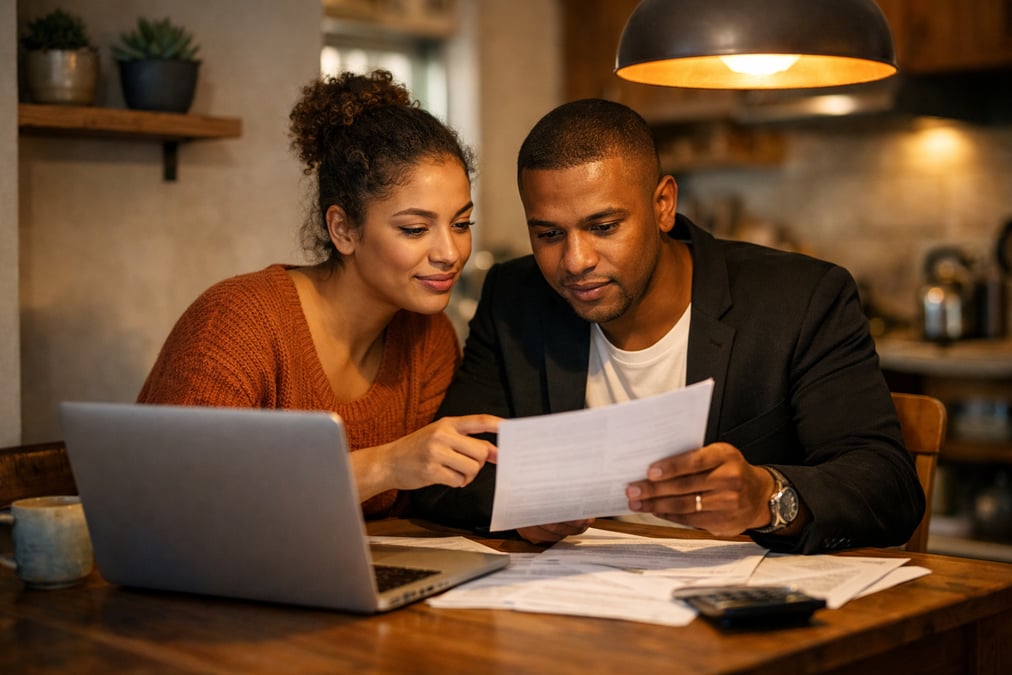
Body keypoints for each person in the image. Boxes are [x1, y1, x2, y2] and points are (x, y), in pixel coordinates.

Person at [412, 98, 925, 553]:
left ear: (663, 205)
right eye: (548, 233)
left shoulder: (802, 299)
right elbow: (441, 476)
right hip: (574, 612)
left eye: (604, 227)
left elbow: (888, 484)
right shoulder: (515, 297)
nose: (575, 260)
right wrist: (523, 508)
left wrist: (767, 496)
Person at [138, 70, 499, 518]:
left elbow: (424, 504)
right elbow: (172, 493)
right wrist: (384, 465)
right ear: (343, 230)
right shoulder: (238, 322)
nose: (450, 252)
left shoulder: (429, 341)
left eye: (461, 224)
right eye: (414, 229)